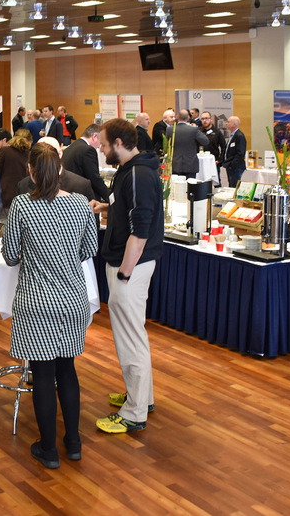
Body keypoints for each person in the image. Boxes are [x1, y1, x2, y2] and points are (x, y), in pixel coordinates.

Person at [2, 143, 98, 469]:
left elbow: (10, 255)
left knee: (42, 373)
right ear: (59, 169)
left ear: (30, 171)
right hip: (72, 299)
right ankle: (73, 442)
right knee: (67, 369)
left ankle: (48, 449)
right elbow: (89, 249)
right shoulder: (80, 203)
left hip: (36, 301)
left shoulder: (22, 206)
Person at [91, 118, 163, 435]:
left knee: (131, 338)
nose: (103, 150)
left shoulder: (138, 174)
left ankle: (134, 412)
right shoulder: (128, 171)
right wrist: (104, 207)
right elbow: (127, 209)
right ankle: (141, 396)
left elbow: (141, 230)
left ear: (119, 143)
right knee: (132, 334)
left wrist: (124, 273)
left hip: (130, 267)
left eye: (105, 144)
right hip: (127, 265)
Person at [16, 138, 96, 201]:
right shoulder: (23, 185)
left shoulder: (81, 185)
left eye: (50, 155)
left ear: (60, 154)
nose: (45, 161)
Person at [61, 123, 111, 202]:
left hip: (69, 195)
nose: (99, 147)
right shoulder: (88, 150)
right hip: (83, 198)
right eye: (100, 143)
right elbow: (95, 179)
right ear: (94, 136)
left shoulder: (71, 146)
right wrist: (110, 198)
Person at [0, 128, 32, 210]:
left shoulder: (5, 151)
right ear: (29, 141)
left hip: (6, 195)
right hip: (25, 196)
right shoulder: (30, 154)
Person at [166, 109, 208, 180]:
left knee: (177, 185)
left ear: (177, 117)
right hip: (190, 165)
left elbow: (166, 145)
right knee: (190, 185)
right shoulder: (193, 130)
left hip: (176, 164)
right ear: (188, 118)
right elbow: (205, 141)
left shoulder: (170, 130)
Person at [222, 116, 247, 187]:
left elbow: (240, 153)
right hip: (230, 166)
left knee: (234, 186)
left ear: (234, 124)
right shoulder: (233, 135)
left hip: (236, 168)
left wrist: (232, 165)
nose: (226, 123)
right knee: (231, 185)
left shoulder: (239, 136)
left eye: (228, 122)